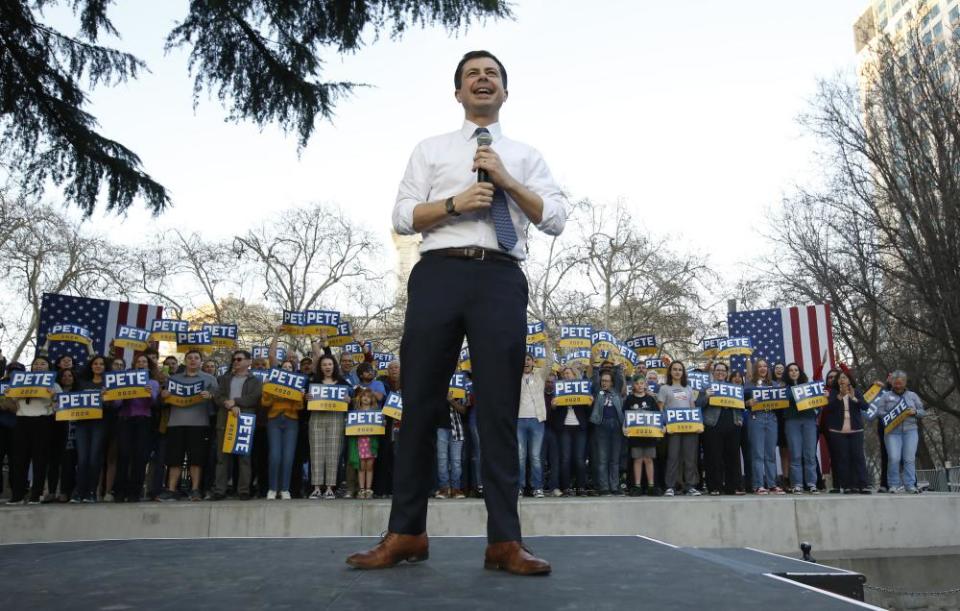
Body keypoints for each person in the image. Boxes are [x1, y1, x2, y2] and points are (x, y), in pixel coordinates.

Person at [347, 50, 565, 575]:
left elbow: (555, 218)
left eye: (492, 74)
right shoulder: (431, 149)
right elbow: (401, 216)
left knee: (497, 410)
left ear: (505, 92)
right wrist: (454, 204)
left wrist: (507, 181)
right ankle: (406, 533)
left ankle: (504, 542)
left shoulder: (526, 155)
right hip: (439, 273)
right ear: (458, 93)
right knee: (420, 403)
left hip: (499, 275)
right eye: (473, 75)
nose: (482, 80)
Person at [158, 350, 217, 501]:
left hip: (199, 424)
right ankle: (171, 490)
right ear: (185, 361)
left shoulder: (210, 379)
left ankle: (195, 489)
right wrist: (163, 396)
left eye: (196, 358)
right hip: (175, 423)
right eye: (189, 358)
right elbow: (163, 402)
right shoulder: (173, 379)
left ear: (201, 362)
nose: (193, 360)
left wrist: (211, 396)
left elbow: (218, 401)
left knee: (196, 459)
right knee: (174, 459)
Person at [6, 357, 61, 504]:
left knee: (40, 460)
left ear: (48, 367)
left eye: (43, 363)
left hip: (43, 421)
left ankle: (35, 495)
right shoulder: (19, 382)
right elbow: (12, 406)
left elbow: (60, 408)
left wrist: (54, 396)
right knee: (19, 459)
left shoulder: (54, 385)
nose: (38, 366)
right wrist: (8, 396)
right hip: (22, 421)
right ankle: (17, 495)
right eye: (36, 364)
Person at [212, 350, 262, 500]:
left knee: (244, 458)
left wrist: (236, 401)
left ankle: (244, 490)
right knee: (222, 457)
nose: (236, 361)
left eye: (239, 359)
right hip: (225, 419)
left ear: (248, 362)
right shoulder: (225, 378)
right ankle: (219, 490)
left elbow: (254, 398)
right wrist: (228, 404)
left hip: (244, 420)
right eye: (234, 359)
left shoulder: (256, 380)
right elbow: (218, 396)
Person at [308, 338, 349, 500]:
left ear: (334, 366)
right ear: (320, 366)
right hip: (316, 418)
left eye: (330, 364)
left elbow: (351, 397)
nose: (327, 367)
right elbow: (306, 397)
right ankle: (317, 487)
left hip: (335, 419)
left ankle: (330, 488)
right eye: (324, 364)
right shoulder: (314, 381)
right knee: (316, 453)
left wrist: (348, 399)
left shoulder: (341, 382)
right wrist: (307, 396)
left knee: (333, 453)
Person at [115, 355, 159, 502]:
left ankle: (135, 492)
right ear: (134, 365)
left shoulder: (153, 382)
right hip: (125, 420)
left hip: (143, 421)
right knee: (124, 455)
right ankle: (120, 492)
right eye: (138, 362)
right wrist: (116, 393)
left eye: (144, 361)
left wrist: (149, 393)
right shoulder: (124, 381)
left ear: (148, 365)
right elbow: (116, 404)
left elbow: (153, 403)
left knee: (140, 457)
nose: (141, 363)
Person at [873, 371, 925, 493]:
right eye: (895, 384)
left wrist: (915, 412)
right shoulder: (885, 396)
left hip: (910, 431)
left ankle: (910, 485)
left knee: (909, 458)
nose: (898, 386)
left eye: (900, 383)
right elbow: (879, 412)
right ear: (892, 383)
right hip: (892, 432)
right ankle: (893, 485)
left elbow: (922, 411)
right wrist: (889, 415)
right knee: (894, 458)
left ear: (905, 382)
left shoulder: (912, 396)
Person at [699, 362, 744, 495]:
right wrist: (706, 396)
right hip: (712, 425)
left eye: (723, 370)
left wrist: (739, 419)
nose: (720, 372)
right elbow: (698, 405)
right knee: (713, 456)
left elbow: (739, 406)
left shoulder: (734, 387)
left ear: (727, 373)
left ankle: (733, 487)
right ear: (713, 373)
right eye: (717, 370)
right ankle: (714, 487)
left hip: (732, 424)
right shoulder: (706, 387)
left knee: (732, 456)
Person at [658, 361, 700, 497]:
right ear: (670, 372)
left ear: (683, 372)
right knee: (673, 457)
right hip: (672, 428)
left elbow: (692, 407)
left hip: (689, 427)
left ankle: (690, 486)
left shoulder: (688, 388)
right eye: (674, 369)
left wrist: (698, 424)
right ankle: (670, 486)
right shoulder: (664, 388)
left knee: (689, 458)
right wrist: (663, 424)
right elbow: (660, 408)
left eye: (680, 370)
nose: (677, 372)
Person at [261, 360, 301, 500]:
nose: (287, 369)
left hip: (291, 421)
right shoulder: (272, 383)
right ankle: (272, 488)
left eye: (290, 367)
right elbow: (265, 403)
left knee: (288, 457)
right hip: (274, 419)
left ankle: (285, 489)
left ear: (293, 370)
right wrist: (267, 388)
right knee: (275, 455)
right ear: (280, 370)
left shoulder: (298, 384)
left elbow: (299, 407)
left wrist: (299, 395)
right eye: (284, 367)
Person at [824, 372, 870, 494]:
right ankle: (847, 485)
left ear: (849, 380)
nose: (841, 380)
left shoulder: (856, 391)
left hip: (856, 430)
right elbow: (828, 409)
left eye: (844, 377)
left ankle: (863, 485)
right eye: (839, 378)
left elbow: (866, 406)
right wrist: (839, 396)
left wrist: (853, 398)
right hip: (837, 431)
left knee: (858, 457)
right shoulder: (832, 392)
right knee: (843, 459)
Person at [745, 359, 785, 495]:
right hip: (756, 418)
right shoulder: (749, 385)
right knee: (757, 454)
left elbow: (782, 401)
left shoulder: (774, 384)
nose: (763, 368)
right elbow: (739, 401)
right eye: (760, 366)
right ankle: (758, 485)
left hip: (772, 418)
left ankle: (772, 484)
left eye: (765, 366)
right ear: (756, 369)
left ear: (768, 369)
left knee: (771, 453)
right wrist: (747, 402)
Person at [518, 347, 551, 499]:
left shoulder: (539, 375)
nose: (526, 362)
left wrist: (548, 346)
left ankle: (537, 487)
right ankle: (519, 487)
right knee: (520, 456)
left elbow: (549, 364)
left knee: (536, 456)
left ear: (533, 362)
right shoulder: (514, 376)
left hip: (537, 420)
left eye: (528, 359)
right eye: (523, 359)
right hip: (519, 420)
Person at [553, 366, 590, 497]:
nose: (566, 376)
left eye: (568, 373)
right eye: (564, 374)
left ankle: (581, 487)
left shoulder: (582, 389)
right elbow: (553, 413)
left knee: (580, 459)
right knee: (565, 459)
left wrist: (589, 403)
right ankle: (566, 488)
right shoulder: (558, 389)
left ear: (574, 375)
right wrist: (554, 406)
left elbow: (588, 413)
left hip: (579, 428)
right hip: (564, 428)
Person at [783, 363, 819, 494]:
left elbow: (818, 402)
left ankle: (811, 483)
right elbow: (790, 398)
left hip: (809, 420)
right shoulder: (785, 388)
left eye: (796, 370)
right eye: (791, 370)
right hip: (792, 421)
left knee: (810, 454)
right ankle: (797, 484)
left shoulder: (810, 386)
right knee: (796, 454)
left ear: (800, 372)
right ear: (788, 373)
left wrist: (818, 406)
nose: (793, 372)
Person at [623, 378, 660, 496]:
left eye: (642, 383)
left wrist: (661, 427)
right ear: (633, 385)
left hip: (649, 435)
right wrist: (624, 427)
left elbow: (657, 416)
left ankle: (651, 485)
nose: (639, 386)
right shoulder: (629, 399)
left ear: (645, 385)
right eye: (637, 383)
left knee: (649, 459)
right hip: (635, 435)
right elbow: (625, 415)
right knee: (638, 459)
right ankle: (637, 486)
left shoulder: (650, 399)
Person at [590, 369, 625, 496]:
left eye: (607, 381)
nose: (604, 383)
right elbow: (594, 381)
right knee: (602, 459)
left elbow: (620, 380)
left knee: (614, 459)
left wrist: (618, 366)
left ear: (611, 383)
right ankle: (604, 487)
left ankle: (614, 487)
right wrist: (596, 368)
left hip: (616, 426)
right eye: (603, 381)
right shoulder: (597, 392)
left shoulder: (616, 391)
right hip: (601, 425)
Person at [349, 388, 380, 499]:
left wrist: (383, 423)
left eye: (369, 396)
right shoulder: (356, 412)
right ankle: (361, 489)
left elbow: (380, 427)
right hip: (360, 442)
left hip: (372, 443)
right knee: (361, 466)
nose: (366, 398)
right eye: (364, 396)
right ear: (360, 398)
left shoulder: (376, 412)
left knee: (370, 466)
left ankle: (368, 489)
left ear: (372, 399)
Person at [436, 390, 467, 499]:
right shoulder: (437, 384)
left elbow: (464, 410)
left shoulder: (459, 384)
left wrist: (451, 401)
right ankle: (444, 488)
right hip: (439, 428)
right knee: (442, 460)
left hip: (457, 428)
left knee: (456, 461)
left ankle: (455, 489)